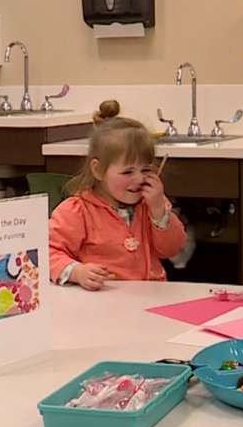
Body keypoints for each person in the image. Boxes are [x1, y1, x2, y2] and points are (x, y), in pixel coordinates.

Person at [49, 102, 185, 290]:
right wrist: (77, 271)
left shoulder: (152, 204)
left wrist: (159, 212)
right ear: (98, 170)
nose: (139, 179)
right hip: (100, 304)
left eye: (146, 169)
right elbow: (47, 252)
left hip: (149, 300)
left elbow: (172, 249)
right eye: (128, 172)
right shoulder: (77, 211)